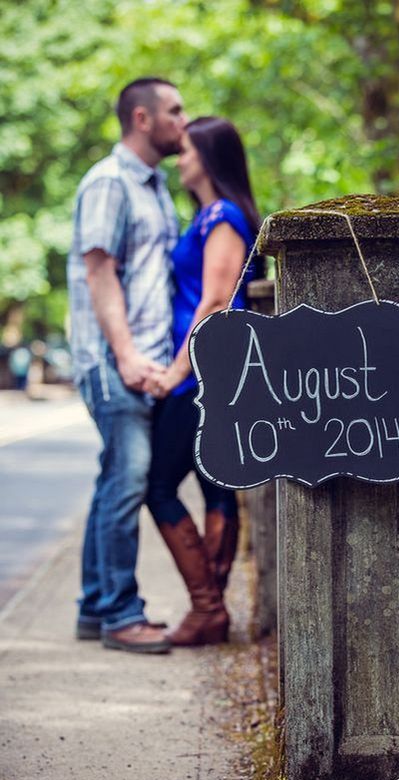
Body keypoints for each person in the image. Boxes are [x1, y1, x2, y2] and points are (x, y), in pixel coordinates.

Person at [67, 78, 188, 654]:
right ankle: (120, 614)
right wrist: (126, 355)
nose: (183, 121)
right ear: (142, 118)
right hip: (115, 359)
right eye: (174, 111)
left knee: (113, 478)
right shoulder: (110, 182)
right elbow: (99, 271)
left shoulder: (154, 185)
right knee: (128, 481)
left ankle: (95, 607)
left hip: (138, 357)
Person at [145, 117, 262, 646]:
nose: (179, 158)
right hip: (214, 371)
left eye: (187, 150)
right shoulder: (210, 215)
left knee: (159, 486)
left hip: (203, 373)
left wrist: (176, 370)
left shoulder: (224, 215)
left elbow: (216, 301)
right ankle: (211, 610)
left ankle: (208, 607)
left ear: (210, 158)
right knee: (215, 485)